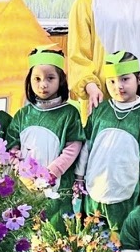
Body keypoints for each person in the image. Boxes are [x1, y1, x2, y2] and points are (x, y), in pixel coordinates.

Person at [78, 52, 140, 227]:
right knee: (91, 239)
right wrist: (79, 177)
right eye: (112, 81)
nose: (118, 86)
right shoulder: (100, 110)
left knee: (124, 238)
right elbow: (87, 144)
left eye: (125, 79)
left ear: (139, 79)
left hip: (127, 193)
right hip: (95, 190)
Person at [6, 49, 84, 220]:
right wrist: (22, 172)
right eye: (37, 79)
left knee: (57, 229)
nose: (43, 84)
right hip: (26, 186)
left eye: (50, 78)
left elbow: (73, 146)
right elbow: (12, 146)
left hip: (57, 187)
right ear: (29, 80)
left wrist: (52, 172)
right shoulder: (23, 114)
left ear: (61, 80)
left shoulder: (69, 113)